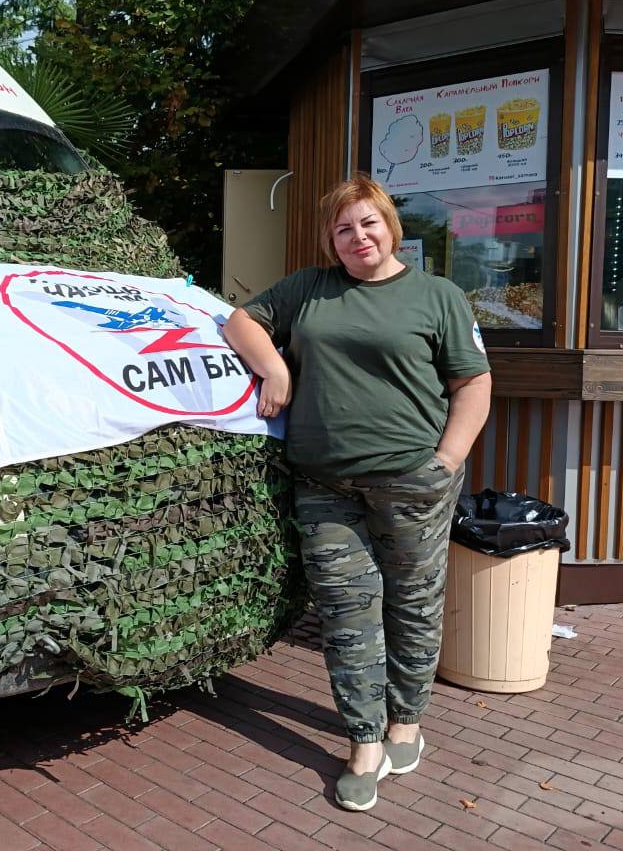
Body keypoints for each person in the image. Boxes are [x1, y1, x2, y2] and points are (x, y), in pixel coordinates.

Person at [224, 173, 491, 812]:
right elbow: (240, 321)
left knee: (413, 605)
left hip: (412, 484)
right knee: (346, 613)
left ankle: (407, 723)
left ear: (390, 227)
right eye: (343, 228)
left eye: (368, 223)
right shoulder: (309, 289)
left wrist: (445, 462)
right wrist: (276, 365)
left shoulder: (438, 296)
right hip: (323, 485)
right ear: (331, 240)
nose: (357, 236)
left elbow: (473, 385)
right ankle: (365, 739)